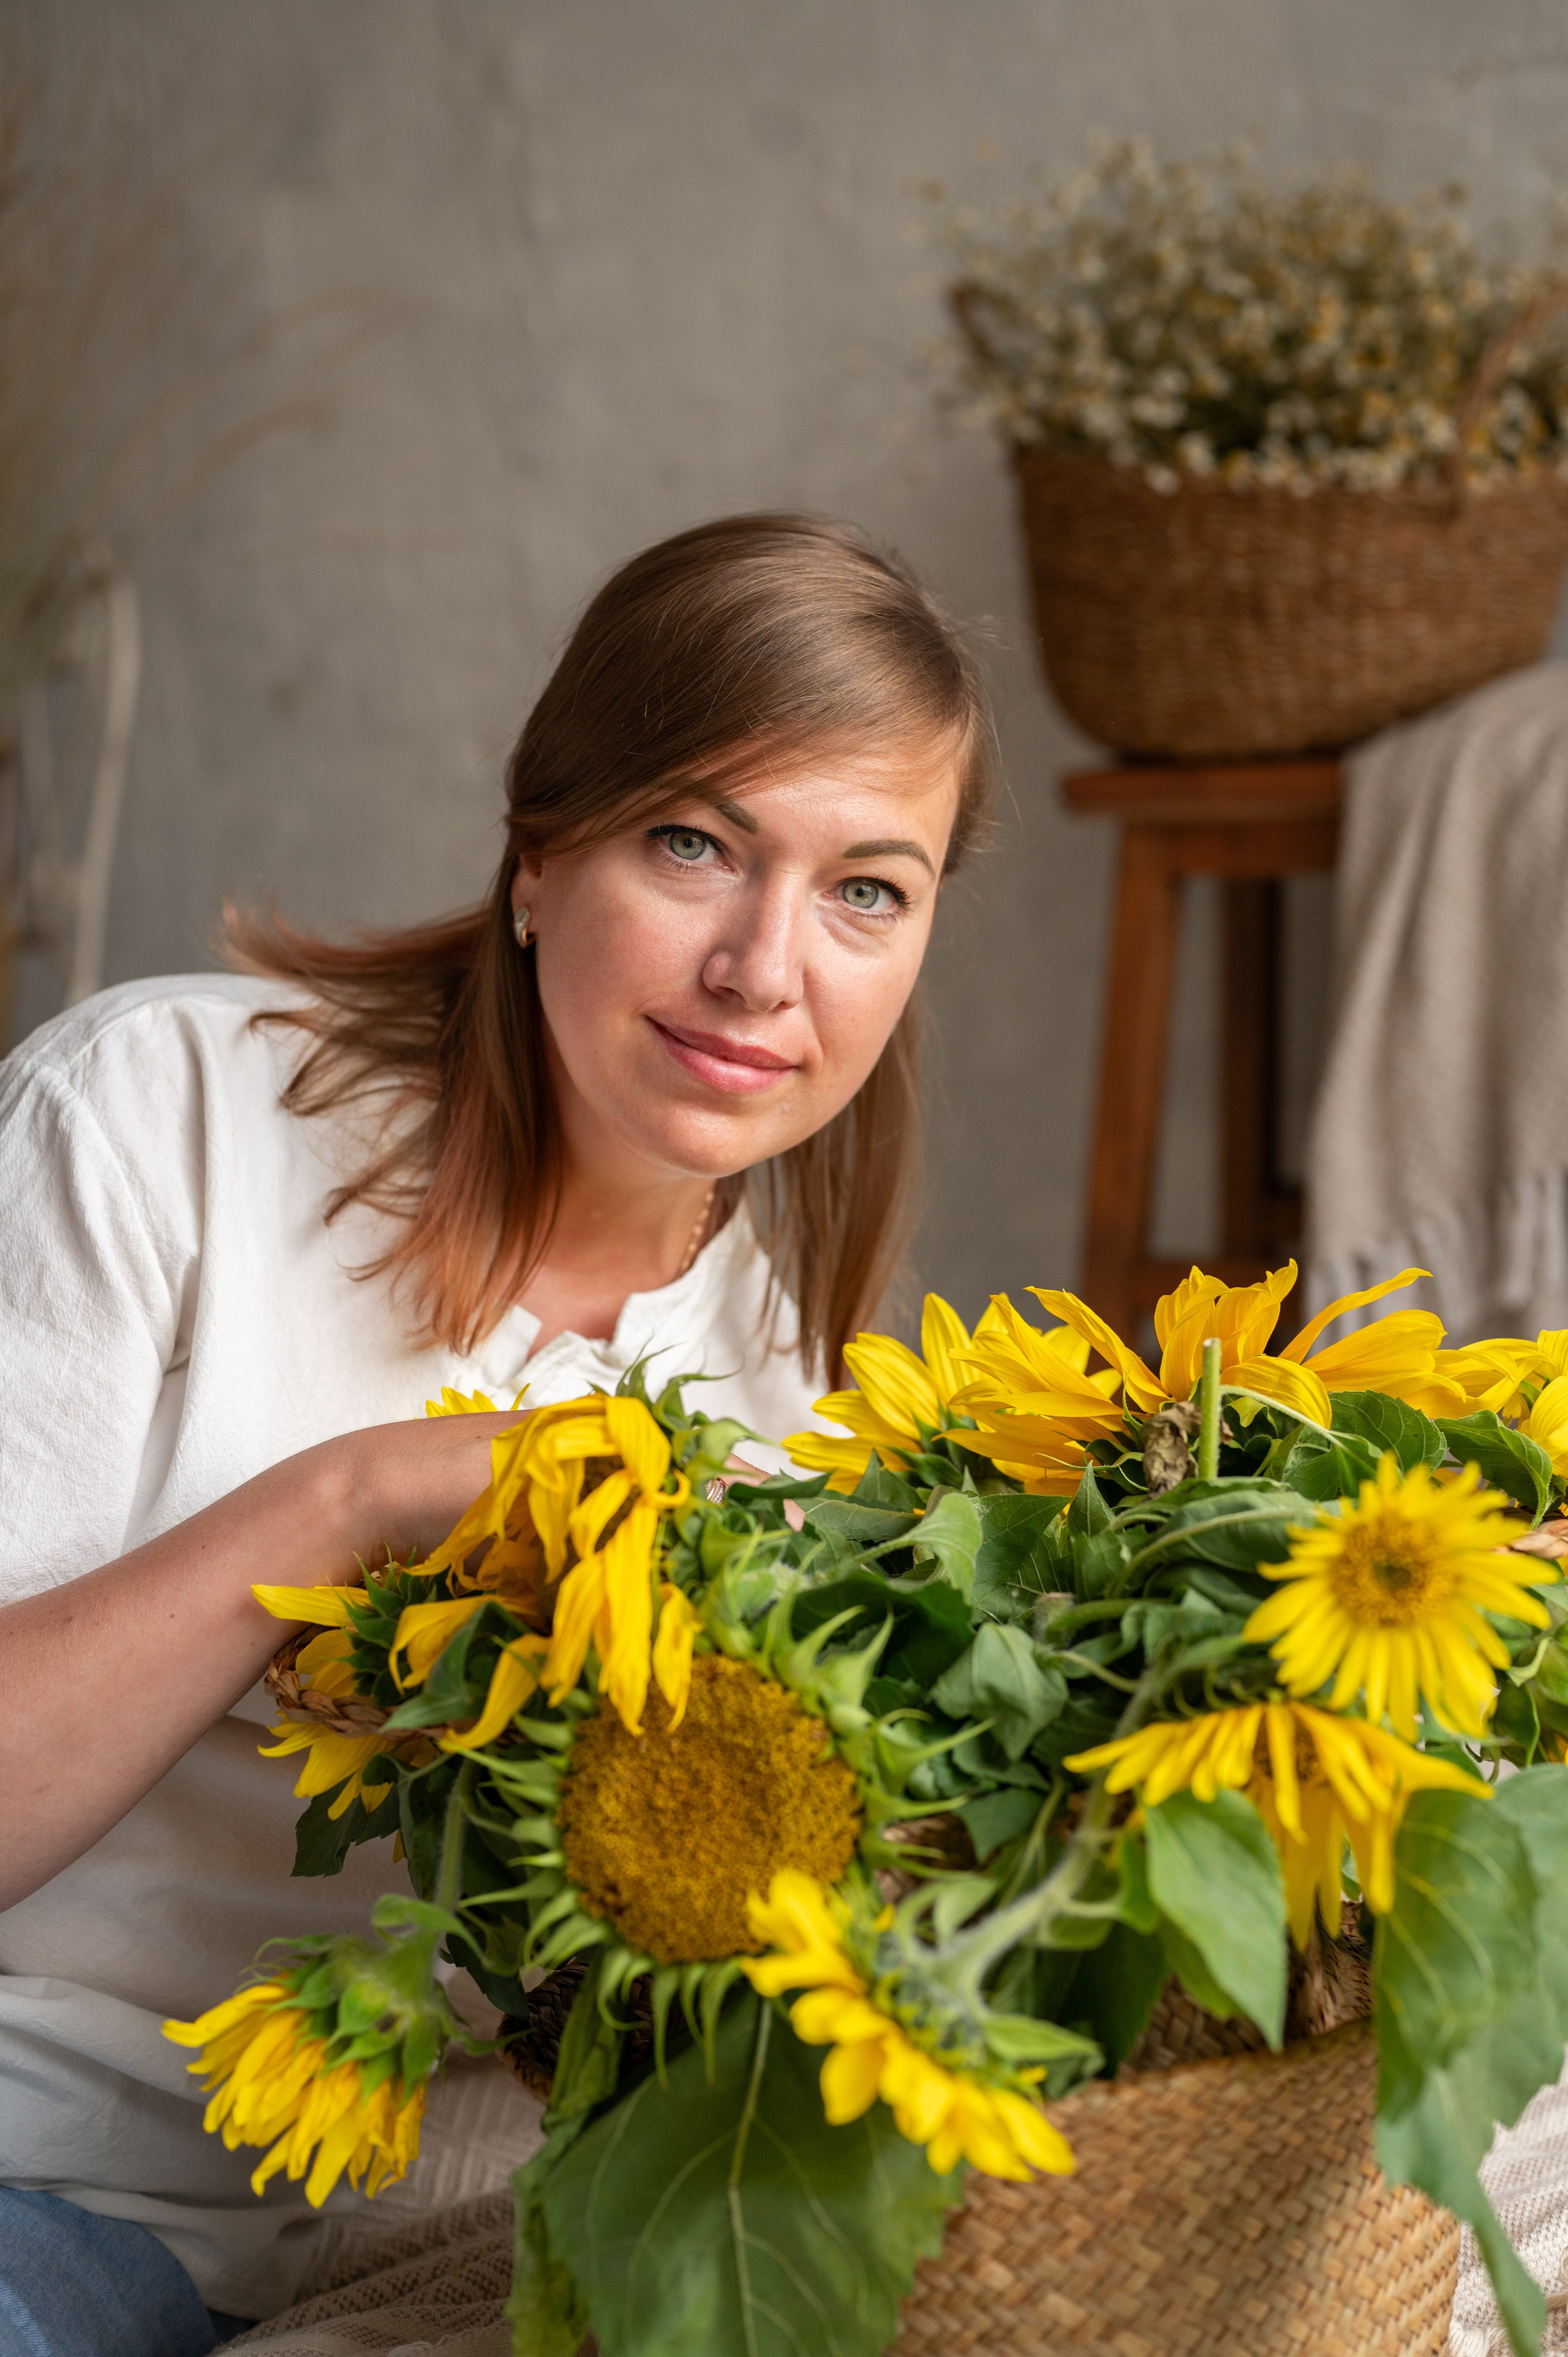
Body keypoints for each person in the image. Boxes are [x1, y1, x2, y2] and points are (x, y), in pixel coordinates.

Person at [0, 512, 992, 2351]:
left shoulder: (793, 1415)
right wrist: (355, 1500)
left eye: (869, 889)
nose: (769, 968)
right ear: (539, 853)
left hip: (322, 2227)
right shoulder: (155, 1118)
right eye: (696, 844)